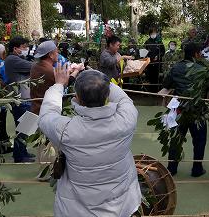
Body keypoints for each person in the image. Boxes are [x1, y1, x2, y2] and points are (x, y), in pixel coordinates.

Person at [38, 66, 141, 217]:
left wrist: (59, 84)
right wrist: (98, 78)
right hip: (121, 205)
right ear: (107, 95)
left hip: (76, 210)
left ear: (77, 97)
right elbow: (123, 98)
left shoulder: (66, 129)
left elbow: (47, 114)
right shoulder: (127, 119)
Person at [163, 43, 208, 177]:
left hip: (180, 109)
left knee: (176, 139)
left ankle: (172, 168)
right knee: (199, 140)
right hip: (197, 110)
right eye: (199, 52)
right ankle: (197, 169)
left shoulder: (175, 67)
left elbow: (166, 84)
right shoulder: (202, 69)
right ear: (196, 54)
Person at [30, 40, 83, 115]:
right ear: (51, 55)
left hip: (36, 107)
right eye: (57, 52)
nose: (58, 54)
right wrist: (77, 70)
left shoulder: (36, 66)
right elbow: (64, 83)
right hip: (45, 110)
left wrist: (69, 70)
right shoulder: (49, 71)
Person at [4, 36, 35, 163]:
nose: (26, 49)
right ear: (15, 48)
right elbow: (33, 66)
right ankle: (19, 155)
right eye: (23, 47)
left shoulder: (16, 59)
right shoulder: (12, 59)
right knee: (23, 128)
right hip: (21, 100)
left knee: (25, 128)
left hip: (23, 99)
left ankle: (22, 152)